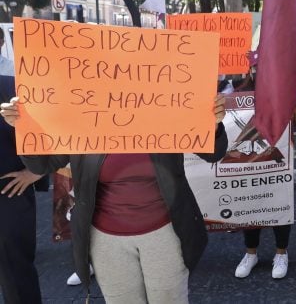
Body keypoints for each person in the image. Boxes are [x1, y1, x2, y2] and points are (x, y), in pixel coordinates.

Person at [0, 95, 228, 304]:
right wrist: (25, 128)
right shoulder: (79, 111)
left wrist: (212, 123)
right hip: (106, 240)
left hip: (164, 232)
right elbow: (43, 164)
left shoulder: (165, 99)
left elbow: (213, 152)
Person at [233, 54, 296, 279]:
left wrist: (294, 104)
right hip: (249, 162)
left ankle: (281, 253)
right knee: (249, 208)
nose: (260, 72)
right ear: (250, 71)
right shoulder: (238, 95)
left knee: (280, 207)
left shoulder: (287, 91)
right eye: (256, 68)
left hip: (279, 161)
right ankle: (251, 254)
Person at [0, 74, 45, 304]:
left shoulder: (12, 86)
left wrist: (36, 173)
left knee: (16, 274)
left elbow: (49, 133)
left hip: (8, 194)